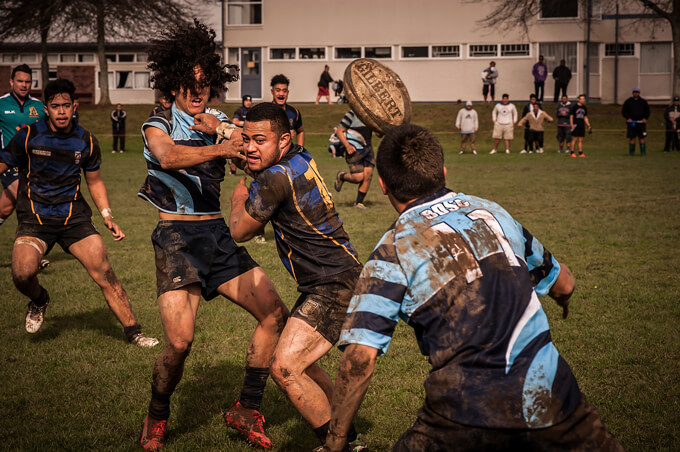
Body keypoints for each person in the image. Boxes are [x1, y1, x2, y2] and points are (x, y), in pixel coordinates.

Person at [323, 123, 624, 452]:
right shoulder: (493, 213)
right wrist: (564, 297)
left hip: (463, 414)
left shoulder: (391, 251)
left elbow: (359, 359)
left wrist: (335, 442)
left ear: (382, 185)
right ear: (444, 171)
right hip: (554, 398)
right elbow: (563, 282)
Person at [138, 20, 288, 451]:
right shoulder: (158, 122)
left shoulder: (219, 120)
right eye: (189, 83)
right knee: (180, 342)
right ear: (173, 84)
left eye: (204, 83)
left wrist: (229, 136)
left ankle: (247, 407)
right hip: (177, 239)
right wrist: (222, 147)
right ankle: (157, 415)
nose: (197, 91)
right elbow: (167, 157)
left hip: (218, 238)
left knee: (273, 314)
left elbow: (249, 151)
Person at [229, 102, 364, 451]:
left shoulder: (274, 178)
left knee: (286, 368)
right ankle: (346, 434)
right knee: (307, 367)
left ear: (284, 139)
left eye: (260, 140)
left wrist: (239, 197)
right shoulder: (299, 158)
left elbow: (240, 231)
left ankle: (339, 447)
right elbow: (266, 164)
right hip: (337, 276)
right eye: (246, 139)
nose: (250, 147)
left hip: (332, 285)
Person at [0, 78, 159, 348]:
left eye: (66, 106)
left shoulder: (86, 140)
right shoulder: (28, 135)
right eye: (54, 106)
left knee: (104, 271)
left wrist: (107, 214)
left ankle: (134, 332)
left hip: (74, 219)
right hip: (35, 220)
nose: (61, 111)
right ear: (46, 109)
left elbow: (94, 181)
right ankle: (39, 299)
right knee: (22, 273)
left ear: (74, 106)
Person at [0, 65, 45, 229]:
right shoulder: (1, 104)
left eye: (27, 81)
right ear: (11, 82)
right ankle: (32, 253)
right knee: (28, 203)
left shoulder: (39, 107)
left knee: (5, 209)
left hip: (33, 166)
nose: (24, 85)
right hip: (8, 164)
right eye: (20, 81)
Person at [333, 109, 374, 209]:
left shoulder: (371, 114)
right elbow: (339, 131)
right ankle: (342, 176)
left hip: (368, 149)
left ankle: (359, 203)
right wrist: (347, 146)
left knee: (368, 176)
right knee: (358, 178)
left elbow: (378, 133)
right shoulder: (351, 114)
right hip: (354, 150)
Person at [271, 74, 305, 146]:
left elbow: (300, 131)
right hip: (270, 155)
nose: (281, 94)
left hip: (288, 155)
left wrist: (299, 150)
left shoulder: (294, 112)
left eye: (284, 91)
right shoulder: (265, 112)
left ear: (288, 92)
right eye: (278, 90)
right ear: (272, 92)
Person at [622, 87, 650, 156]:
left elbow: (647, 112)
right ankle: (631, 152)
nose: (636, 93)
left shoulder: (643, 102)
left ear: (639, 93)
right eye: (634, 92)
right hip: (632, 123)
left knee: (642, 138)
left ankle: (643, 152)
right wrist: (628, 118)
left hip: (641, 123)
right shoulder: (628, 101)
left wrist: (645, 118)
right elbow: (624, 111)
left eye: (637, 92)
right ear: (632, 93)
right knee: (632, 138)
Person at [229, 94, 253, 176]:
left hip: (250, 135)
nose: (248, 102)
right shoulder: (240, 111)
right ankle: (233, 171)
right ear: (243, 102)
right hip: (240, 134)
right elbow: (235, 121)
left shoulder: (253, 111)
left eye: (250, 101)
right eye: (247, 101)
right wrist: (246, 123)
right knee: (236, 152)